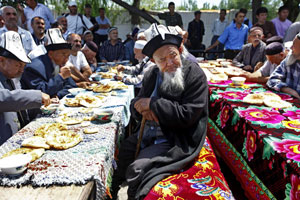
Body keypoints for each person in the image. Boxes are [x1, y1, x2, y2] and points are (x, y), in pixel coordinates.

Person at [110, 23, 208, 200]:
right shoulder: (151, 74)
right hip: (150, 131)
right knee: (123, 151)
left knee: (137, 170)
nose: (170, 63)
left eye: (173, 55)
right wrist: (139, 107)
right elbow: (137, 101)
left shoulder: (195, 74)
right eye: (162, 60)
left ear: (179, 49)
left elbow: (188, 115)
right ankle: (112, 191)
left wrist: (153, 104)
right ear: (154, 61)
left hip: (176, 137)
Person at [0, 31, 50, 145]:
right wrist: (37, 96)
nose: (21, 70)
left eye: (23, 66)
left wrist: (41, 104)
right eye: (18, 65)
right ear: (1, 60)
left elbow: (20, 108)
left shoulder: (11, 78)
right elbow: (4, 98)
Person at [21, 28, 77, 99]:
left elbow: (71, 86)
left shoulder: (60, 64)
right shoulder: (34, 67)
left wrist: (57, 95)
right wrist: (61, 77)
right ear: (51, 54)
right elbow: (40, 92)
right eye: (63, 54)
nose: (66, 59)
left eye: (68, 56)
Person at [267, 33, 300, 99]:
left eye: (294, 45)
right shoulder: (290, 59)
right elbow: (272, 80)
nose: (291, 48)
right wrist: (286, 89)